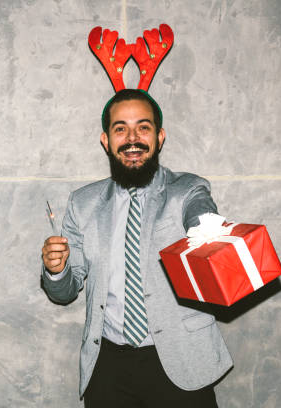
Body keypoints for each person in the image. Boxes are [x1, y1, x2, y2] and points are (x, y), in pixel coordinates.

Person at [41, 89, 232, 407]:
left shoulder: (185, 190)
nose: (133, 138)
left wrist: (207, 229)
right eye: (120, 128)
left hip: (179, 359)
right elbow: (63, 292)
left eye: (143, 127)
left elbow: (200, 214)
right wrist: (56, 270)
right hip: (108, 367)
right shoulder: (83, 203)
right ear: (106, 140)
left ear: (159, 137)